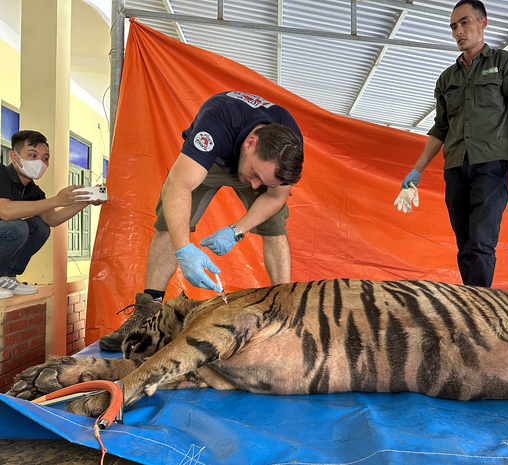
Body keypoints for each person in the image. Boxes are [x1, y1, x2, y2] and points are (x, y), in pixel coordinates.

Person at [99, 91, 304, 351]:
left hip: (256, 162)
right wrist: (184, 248)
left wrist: (236, 230)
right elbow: (179, 185)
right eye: (255, 175)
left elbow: (275, 196)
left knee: (275, 227)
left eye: (261, 182)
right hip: (214, 161)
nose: (254, 185)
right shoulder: (218, 120)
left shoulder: (288, 148)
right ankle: (146, 315)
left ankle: (285, 314)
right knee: (168, 224)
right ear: (250, 143)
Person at [398, 0, 508, 288]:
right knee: (464, 244)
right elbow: (440, 128)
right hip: (454, 167)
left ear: (483, 23)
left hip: (490, 164)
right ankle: (473, 303)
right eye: (453, 26)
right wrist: (417, 171)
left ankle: (477, 310)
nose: (458, 31)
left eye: (464, 22)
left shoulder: (505, 63)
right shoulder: (446, 78)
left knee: (481, 241)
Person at [0, 130, 107, 298]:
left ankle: (6, 276)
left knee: (40, 227)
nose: (40, 162)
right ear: (14, 156)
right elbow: (5, 212)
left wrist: (84, 201)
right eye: (32, 155)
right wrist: (56, 200)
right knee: (17, 227)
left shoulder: (32, 190)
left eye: (45, 158)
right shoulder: (2, 173)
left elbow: (52, 219)